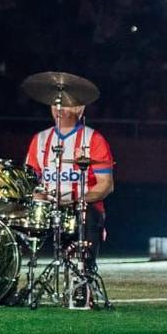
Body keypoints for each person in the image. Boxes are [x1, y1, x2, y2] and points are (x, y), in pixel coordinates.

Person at [23, 94, 114, 264]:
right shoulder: (40, 139)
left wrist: (77, 201)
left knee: (86, 221)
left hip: (84, 210)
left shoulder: (94, 139)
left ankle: (83, 278)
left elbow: (106, 185)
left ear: (79, 109)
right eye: (55, 104)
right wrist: (35, 195)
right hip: (48, 210)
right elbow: (29, 180)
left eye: (65, 105)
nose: (59, 109)